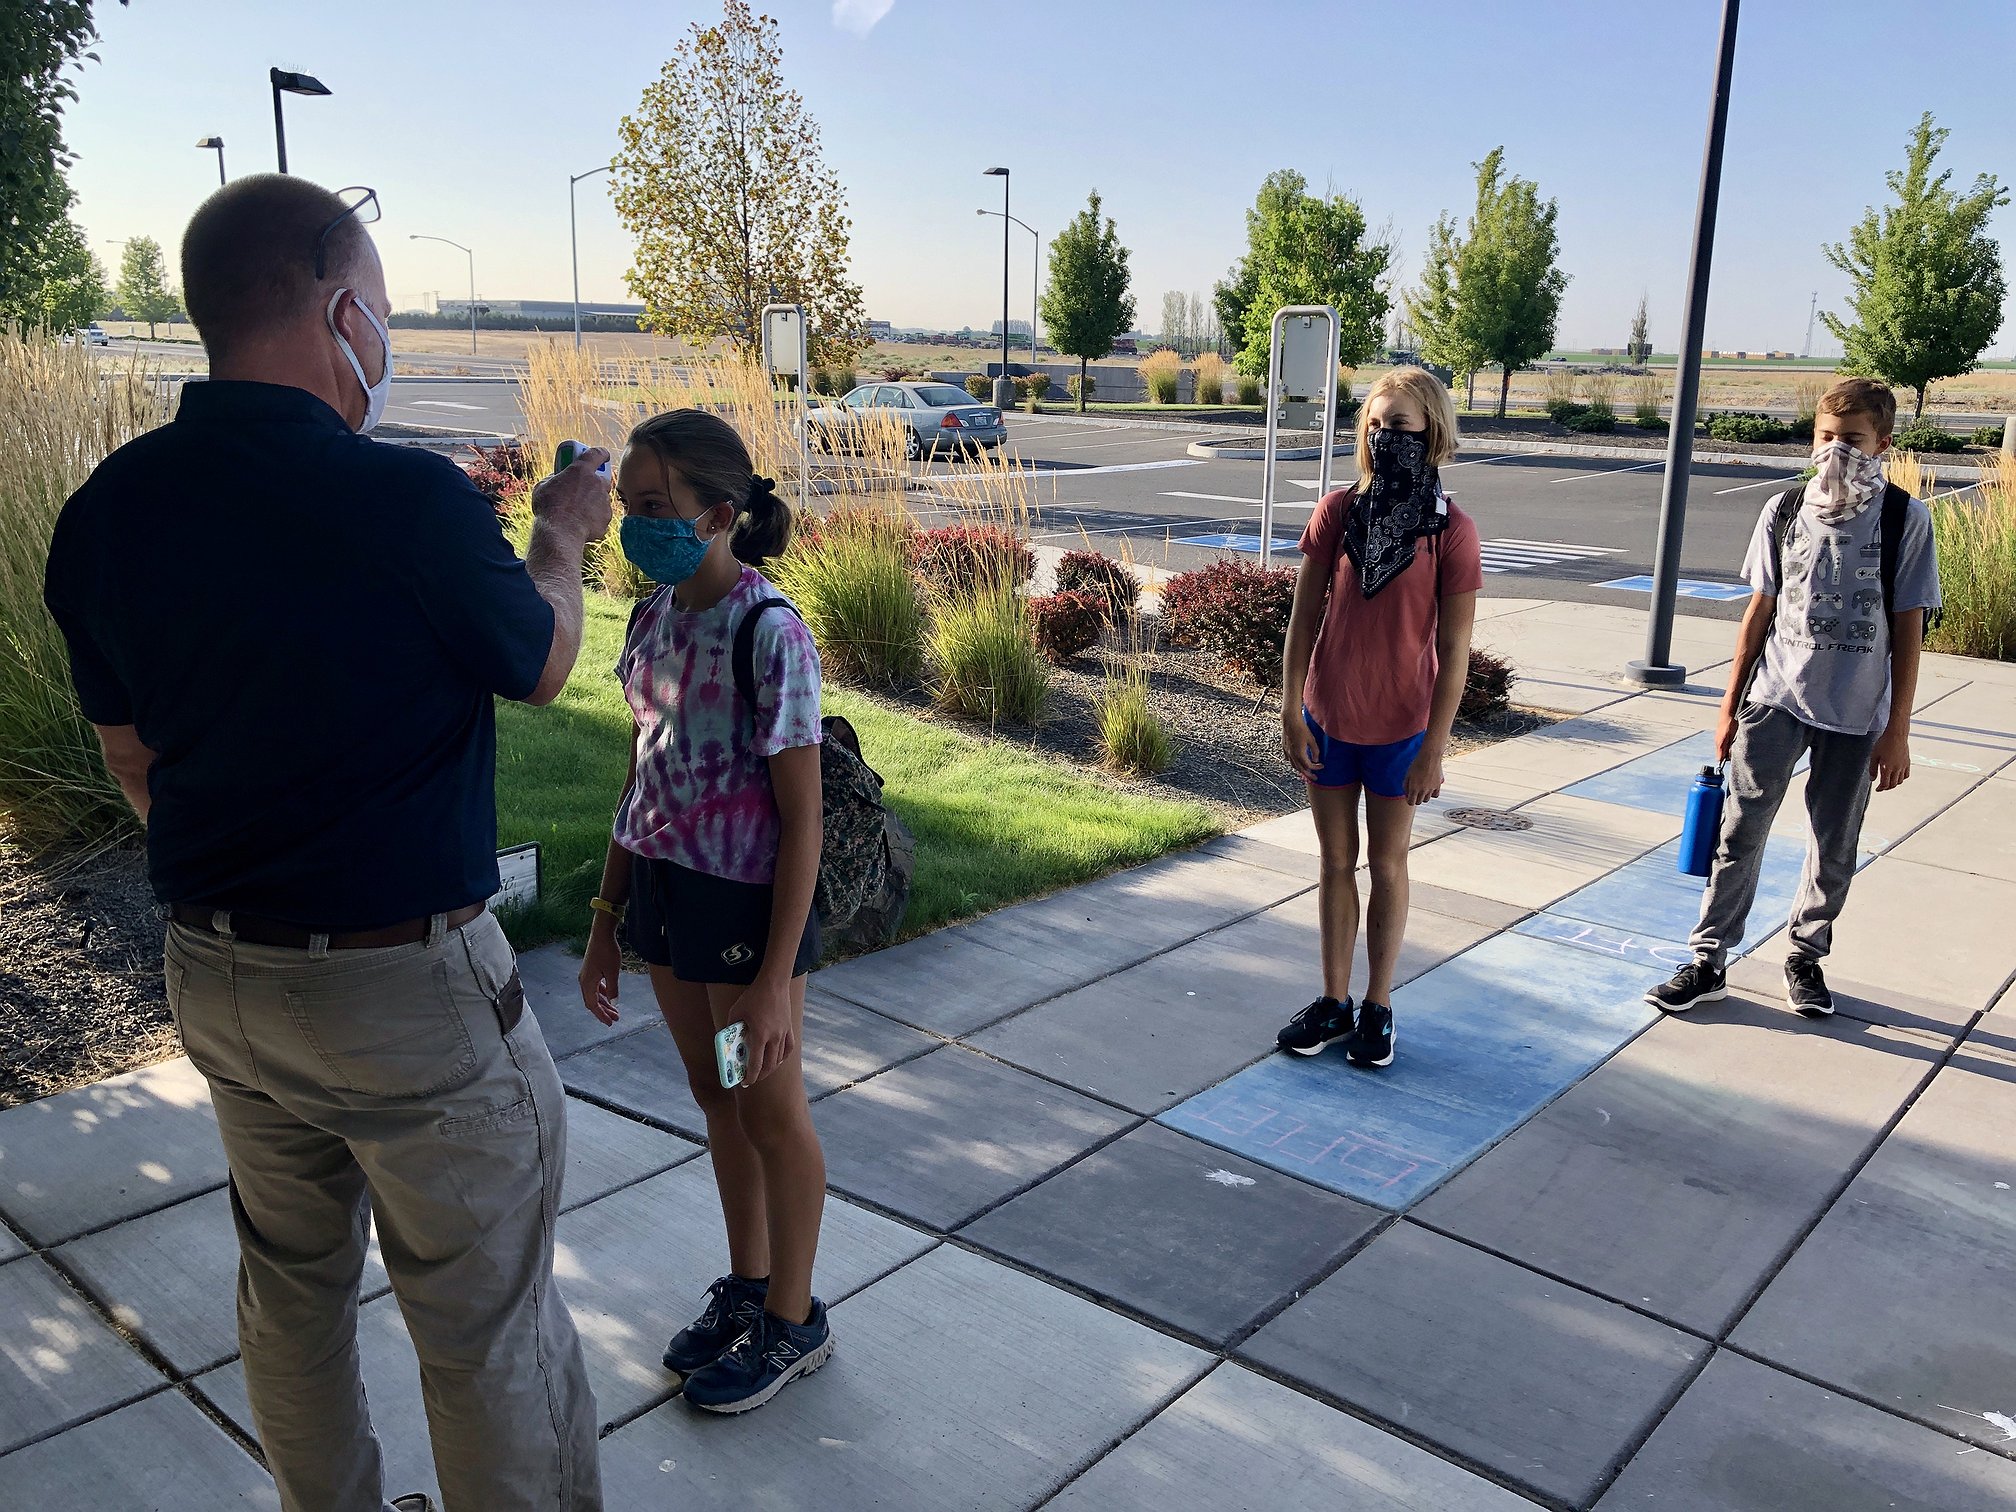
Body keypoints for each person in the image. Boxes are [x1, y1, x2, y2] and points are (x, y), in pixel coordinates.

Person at [41, 175, 612, 1512]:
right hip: (407, 998)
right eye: (385, 311)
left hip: (221, 979)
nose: (388, 337)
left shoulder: (108, 513)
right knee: (487, 1325)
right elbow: (542, 662)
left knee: (289, 1294)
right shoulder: (407, 502)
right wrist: (561, 535)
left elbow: (131, 759)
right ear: (344, 313)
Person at [575, 408, 833, 1414]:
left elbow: (804, 821)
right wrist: (606, 921)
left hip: (744, 912)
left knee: (767, 1108)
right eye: (628, 504)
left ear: (720, 515)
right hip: (667, 897)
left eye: (655, 505)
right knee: (718, 1098)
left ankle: (794, 1322)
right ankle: (749, 1286)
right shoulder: (652, 617)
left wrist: (772, 980)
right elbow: (641, 774)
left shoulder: (770, 634)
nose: (635, 523)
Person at [1647, 377, 1940, 1017]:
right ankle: (1708, 958)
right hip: (1775, 697)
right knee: (1739, 832)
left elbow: (1909, 626)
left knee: (1834, 844)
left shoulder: (1904, 519)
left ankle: (1805, 956)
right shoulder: (1783, 510)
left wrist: (1898, 729)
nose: (1837, 450)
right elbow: (1760, 609)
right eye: (1826, 437)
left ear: (1883, 444)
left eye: (1853, 439)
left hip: (1857, 711)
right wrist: (1729, 706)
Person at [1274, 368, 1483, 1068]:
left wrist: (1435, 750)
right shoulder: (1337, 512)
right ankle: (1333, 1001)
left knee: (1387, 865)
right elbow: (1303, 618)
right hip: (1328, 717)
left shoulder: (1451, 531)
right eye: (1375, 423)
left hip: (1401, 729)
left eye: (1400, 425)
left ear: (1432, 432)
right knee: (1336, 862)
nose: (1384, 435)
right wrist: (1291, 708)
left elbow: (1455, 650)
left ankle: (1378, 1006)